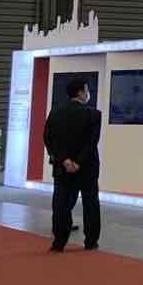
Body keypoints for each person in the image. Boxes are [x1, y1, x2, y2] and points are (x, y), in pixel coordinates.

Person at [43, 78, 102, 250]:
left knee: (61, 204)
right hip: (87, 167)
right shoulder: (94, 114)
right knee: (90, 203)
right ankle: (91, 241)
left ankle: (59, 241)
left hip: (62, 168)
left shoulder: (55, 113)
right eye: (86, 90)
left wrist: (64, 160)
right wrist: (78, 162)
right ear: (81, 92)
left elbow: (48, 139)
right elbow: (92, 143)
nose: (88, 93)